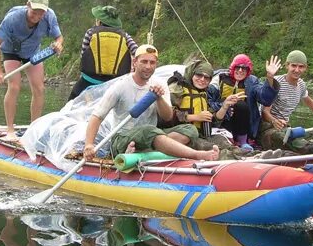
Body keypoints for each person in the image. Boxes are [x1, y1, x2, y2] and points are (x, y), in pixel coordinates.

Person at [83, 44, 218, 162]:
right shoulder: (120, 86)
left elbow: (167, 117)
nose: (148, 67)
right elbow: (97, 116)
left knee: (190, 130)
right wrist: (89, 144)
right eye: (144, 62)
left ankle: (142, 151)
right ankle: (196, 155)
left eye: (152, 63)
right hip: (122, 137)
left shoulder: (160, 85)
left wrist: (159, 98)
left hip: (151, 134)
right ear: (135, 62)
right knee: (149, 131)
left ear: (156, 64)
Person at [167, 58, 281, 159]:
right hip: (186, 133)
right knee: (214, 148)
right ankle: (248, 158)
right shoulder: (178, 89)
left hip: (209, 131)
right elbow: (167, 116)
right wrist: (196, 117)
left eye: (206, 78)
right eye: (199, 75)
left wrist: (225, 105)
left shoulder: (204, 92)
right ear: (192, 74)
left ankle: (252, 155)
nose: (202, 79)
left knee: (224, 143)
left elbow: (215, 119)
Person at [0, 0, 64, 141]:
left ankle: (33, 129)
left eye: (41, 12)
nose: (37, 16)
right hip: (11, 51)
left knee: (39, 89)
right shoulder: (12, 19)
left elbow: (59, 36)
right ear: (28, 6)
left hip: (32, 53)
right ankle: (10, 130)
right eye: (34, 12)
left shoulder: (49, 16)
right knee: (15, 86)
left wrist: (58, 44)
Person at [211, 54, 280, 150]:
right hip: (221, 120)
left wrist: (270, 77)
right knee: (229, 108)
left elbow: (265, 99)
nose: (240, 71)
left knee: (241, 105)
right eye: (237, 67)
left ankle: (243, 141)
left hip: (243, 124)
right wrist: (224, 105)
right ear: (232, 67)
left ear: (248, 71)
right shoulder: (219, 79)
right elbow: (209, 102)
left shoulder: (252, 81)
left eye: (244, 68)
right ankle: (229, 142)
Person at [68, 5, 138, 100]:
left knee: (72, 101)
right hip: (115, 82)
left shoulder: (90, 33)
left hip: (90, 80)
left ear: (100, 22)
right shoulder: (125, 36)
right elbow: (137, 52)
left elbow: (83, 55)